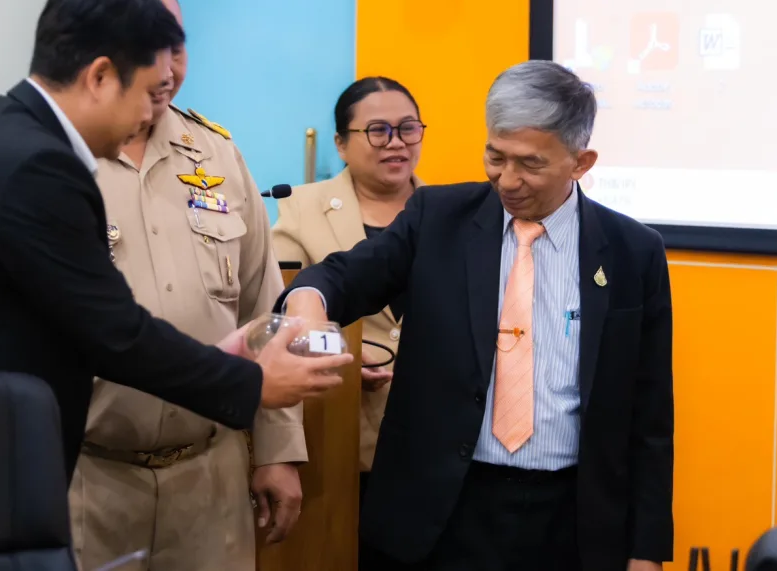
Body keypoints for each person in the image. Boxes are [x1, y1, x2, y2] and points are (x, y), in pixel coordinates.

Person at [0, 0, 352, 479]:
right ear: (99, 77)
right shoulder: (36, 165)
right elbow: (114, 333)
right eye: (147, 93)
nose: (150, 114)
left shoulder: (7, 135)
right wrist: (249, 384)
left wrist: (223, 356)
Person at [280, 60, 674, 571]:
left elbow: (649, 414)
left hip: (573, 520)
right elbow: (343, 276)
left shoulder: (632, 252)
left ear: (581, 162)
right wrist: (308, 302)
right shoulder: (438, 218)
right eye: (495, 156)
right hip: (443, 515)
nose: (507, 180)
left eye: (530, 164)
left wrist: (646, 550)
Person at [68, 0, 305, 571]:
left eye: (176, 45)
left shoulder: (216, 153)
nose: (168, 67)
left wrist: (278, 450)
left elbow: (264, 310)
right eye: (148, 47)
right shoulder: (58, 160)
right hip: (89, 481)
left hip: (211, 479)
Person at [271, 76, 424, 504]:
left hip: (429, 440)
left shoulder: (448, 214)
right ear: (340, 144)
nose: (396, 142)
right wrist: (333, 352)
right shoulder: (300, 209)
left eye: (408, 128)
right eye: (378, 131)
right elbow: (273, 316)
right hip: (336, 436)